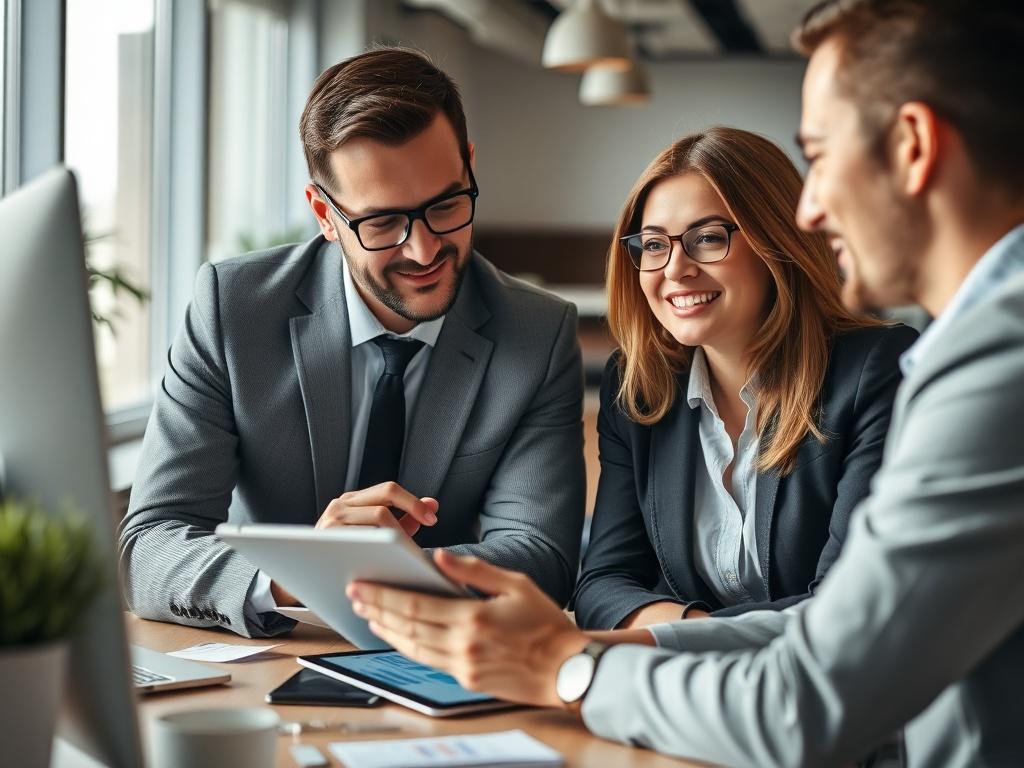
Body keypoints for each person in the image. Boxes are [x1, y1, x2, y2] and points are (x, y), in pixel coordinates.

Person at [348, 1, 1024, 765]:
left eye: (821, 155)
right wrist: (594, 643)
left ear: (911, 146)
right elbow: (830, 626)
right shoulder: (973, 346)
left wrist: (565, 668)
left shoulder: (987, 362)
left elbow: (807, 700)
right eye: (655, 245)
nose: (812, 207)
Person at [118, 47, 586, 639]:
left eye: (446, 205)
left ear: (469, 167)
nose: (423, 251)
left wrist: (390, 572)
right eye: (383, 223)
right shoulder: (233, 309)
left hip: (444, 661)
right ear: (324, 214)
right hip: (275, 651)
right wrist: (300, 573)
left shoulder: (538, 333)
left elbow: (543, 558)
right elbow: (150, 545)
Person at [572, 126, 916, 631]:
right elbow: (603, 584)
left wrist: (678, 637)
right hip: (688, 695)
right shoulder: (638, 386)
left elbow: (845, 607)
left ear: (776, 241)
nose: (675, 269)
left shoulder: (875, 370)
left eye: (708, 238)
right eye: (652, 245)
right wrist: (691, 633)